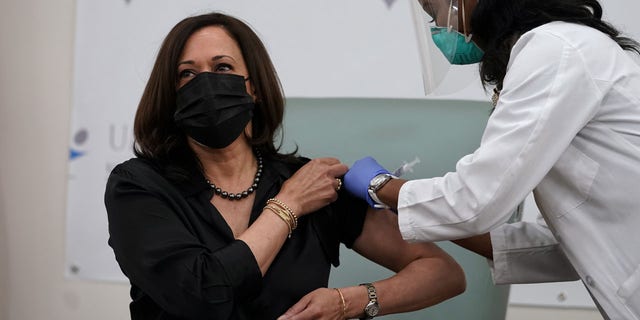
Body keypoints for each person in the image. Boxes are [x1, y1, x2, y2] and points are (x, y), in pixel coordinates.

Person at [104, 12, 465, 320]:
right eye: (187, 74)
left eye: (223, 67)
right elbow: (203, 295)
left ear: (254, 88)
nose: (207, 84)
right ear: (171, 94)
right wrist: (288, 205)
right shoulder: (139, 187)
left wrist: (348, 302)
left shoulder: (311, 184)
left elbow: (443, 273)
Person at [343, 0, 640, 319]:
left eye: (436, 13)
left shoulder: (554, 49)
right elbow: (561, 244)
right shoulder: (559, 49)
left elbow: (476, 201)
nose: (442, 29)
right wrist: (404, 204)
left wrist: (379, 186)